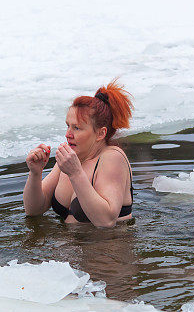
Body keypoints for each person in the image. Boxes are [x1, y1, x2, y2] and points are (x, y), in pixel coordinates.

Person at [23, 80, 134, 227]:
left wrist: (75, 173)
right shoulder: (70, 158)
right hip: (67, 246)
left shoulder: (112, 158)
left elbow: (106, 221)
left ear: (100, 133)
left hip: (107, 247)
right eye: (68, 126)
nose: (68, 134)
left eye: (77, 128)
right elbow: (33, 210)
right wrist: (35, 173)